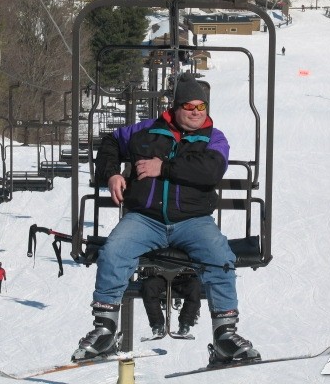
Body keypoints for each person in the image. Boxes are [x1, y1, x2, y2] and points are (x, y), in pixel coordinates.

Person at [74, 74, 260, 363]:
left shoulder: (214, 138)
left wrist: (164, 167)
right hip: (144, 219)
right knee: (114, 252)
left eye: (202, 107)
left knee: (220, 257)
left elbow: (210, 170)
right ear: (175, 107)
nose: (196, 113)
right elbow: (110, 142)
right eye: (189, 106)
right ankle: (105, 329)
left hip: (193, 220)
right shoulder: (146, 131)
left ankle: (225, 334)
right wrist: (111, 173)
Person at [141, 272, 201, 337]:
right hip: (161, 278)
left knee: (194, 286)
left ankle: (185, 323)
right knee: (149, 285)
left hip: (183, 278)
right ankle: (157, 324)